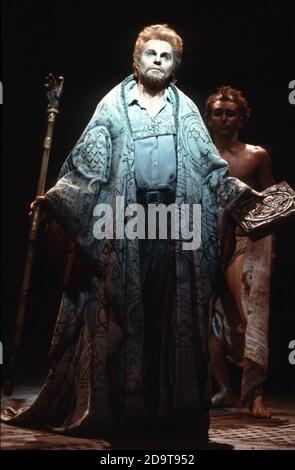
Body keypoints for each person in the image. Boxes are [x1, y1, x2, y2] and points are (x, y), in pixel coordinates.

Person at [2, 25, 254, 442]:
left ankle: (169, 413)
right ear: (135, 61)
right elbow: (87, 164)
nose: (157, 60)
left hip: (176, 223)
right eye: (151, 53)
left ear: (175, 66)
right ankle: (122, 412)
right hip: (125, 222)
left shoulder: (185, 109)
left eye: (166, 56)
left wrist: (245, 197)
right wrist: (56, 198)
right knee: (122, 311)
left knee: (173, 315)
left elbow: (212, 170)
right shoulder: (114, 105)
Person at [205, 85, 274, 418]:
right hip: (204, 240)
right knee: (203, 317)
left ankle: (254, 393)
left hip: (244, 241)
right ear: (208, 116)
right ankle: (224, 388)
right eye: (217, 112)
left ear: (241, 118)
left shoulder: (256, 155)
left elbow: (272, 203)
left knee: (246, 315)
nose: (223, 118)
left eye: (229, 113)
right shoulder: (199, 153)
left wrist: (268, 252)